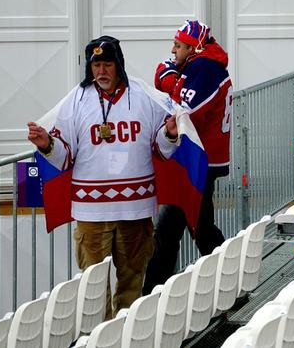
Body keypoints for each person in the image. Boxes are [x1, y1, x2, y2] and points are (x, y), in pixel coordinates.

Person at [26, 35, 179, 317]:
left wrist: (170, 134)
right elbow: (65, 157)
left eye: (107, 64)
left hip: (136, 208)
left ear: (118, 65)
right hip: (91, 211)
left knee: (132, 283)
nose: (101, 72)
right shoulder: (76, 100)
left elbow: (161, 149)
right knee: (93, 287)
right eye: (96, 65)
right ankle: (102, 339)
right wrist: (47, 144)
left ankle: (128, 336)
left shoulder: (144, 95)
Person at [143, 19, 233, 294]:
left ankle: (152, 294)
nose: (173, 50)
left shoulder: (205, 69)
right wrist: (171, 80)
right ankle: (229, 280)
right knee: (197, 227)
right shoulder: (200, 66)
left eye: (178, 45)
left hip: (200, 160)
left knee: (175, 228)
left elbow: (182, 110)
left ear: (193, 48)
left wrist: (169, 80)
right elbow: (168, 85)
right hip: (198, 159)